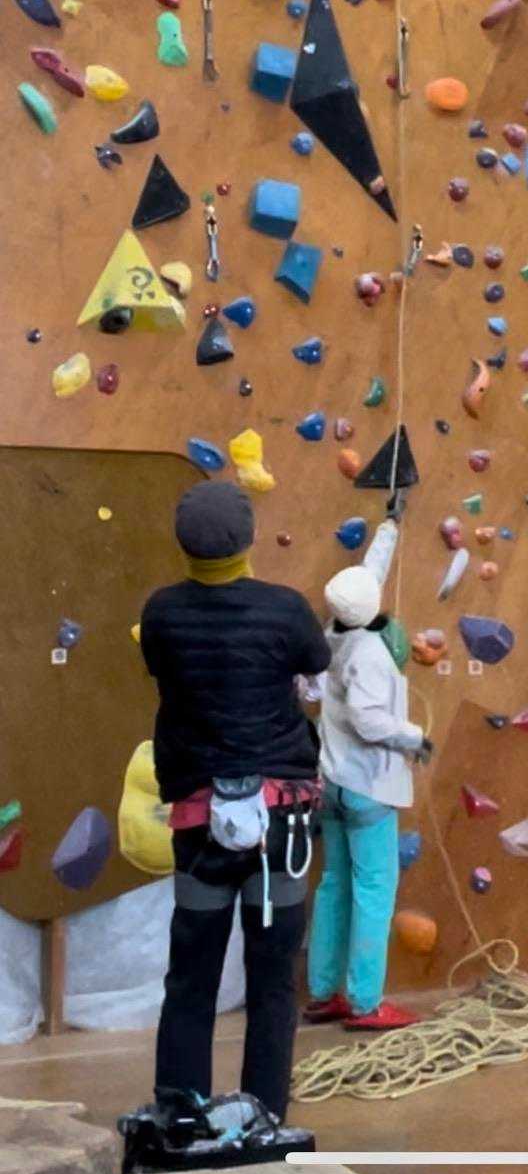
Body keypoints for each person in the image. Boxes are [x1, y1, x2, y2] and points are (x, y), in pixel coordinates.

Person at [140, 481, 331, 1124]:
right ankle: (264, 1116)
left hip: (200, 824)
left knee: (190, 978)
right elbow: (317, 659)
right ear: (249, 539)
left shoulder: (162, 613)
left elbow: (163, 671)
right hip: (283, 821)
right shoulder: (286, 609)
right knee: (273, 980)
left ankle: (181, 1115)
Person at [304, 505, 433, 1030]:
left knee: (334, 884)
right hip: (367, 789)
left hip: (331, 783)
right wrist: (415, 738)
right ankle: (365, 1002)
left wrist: (390, 527)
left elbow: (367, 578)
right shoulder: (371, 655)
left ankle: (323, 993)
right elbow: (370, 720)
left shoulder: (331, 632)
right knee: (374, 893)